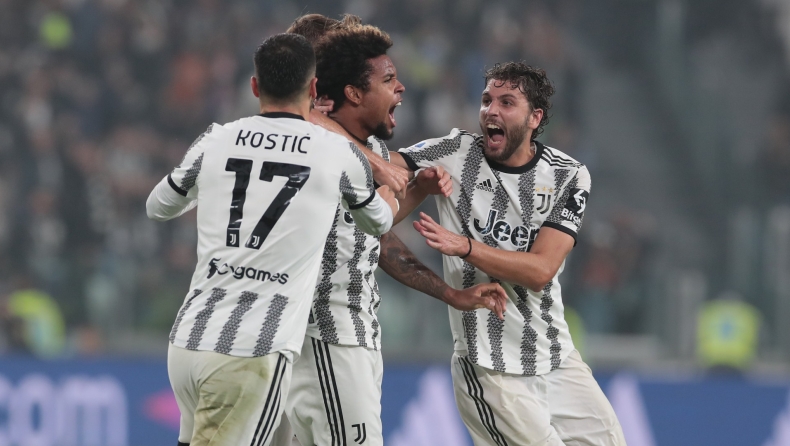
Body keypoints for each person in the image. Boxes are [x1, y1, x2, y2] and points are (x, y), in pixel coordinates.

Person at [145, 33, 398, 446]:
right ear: (314, 88)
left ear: (254, 86)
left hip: (189, 342)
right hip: (253, 349)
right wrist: (390, 194)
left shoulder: (216, 138)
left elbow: (158, 206)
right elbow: (378, 223)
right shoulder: (335, 153)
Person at [274, 17, 509, 446]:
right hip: (325, 334)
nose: (400, 88)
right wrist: (376, 165)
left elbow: (373, 237)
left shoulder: (374, 150)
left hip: (352, 333)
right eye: (387, 79)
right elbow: (302, 118)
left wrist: (449, 291)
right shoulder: (305, 141)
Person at [400, 62, 626, 445]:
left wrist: (466, 246)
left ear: (534, 118)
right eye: (486, 100)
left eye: (507, 102)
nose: (491, 110)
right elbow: (385, 163)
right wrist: (413, 181)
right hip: (490, 369)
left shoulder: (569, 175)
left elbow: (541, 270)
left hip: (556, 359)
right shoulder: (455, 151)